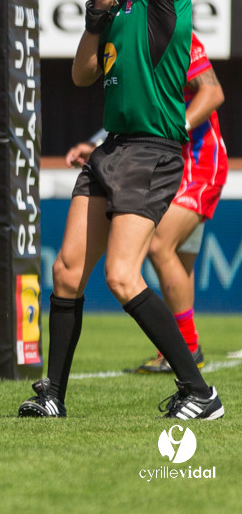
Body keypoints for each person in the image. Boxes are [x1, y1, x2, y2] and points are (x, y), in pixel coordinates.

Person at [19, 0, 225, 422]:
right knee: (68, 272)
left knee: (124, 277)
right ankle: (53, 395)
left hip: (154, 152)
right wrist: (94, 17)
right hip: (113, 151)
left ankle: (200, 391)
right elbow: (83, 76)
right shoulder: (114, 7)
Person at [65, 31, 227, 373]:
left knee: (158, 246)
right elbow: (133, 111)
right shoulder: (128, 36)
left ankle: (188, 350)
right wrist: (95, 145)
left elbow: (212, 92)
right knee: (177, 263)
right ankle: (175, 351)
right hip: (159, 163)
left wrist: (174, 127)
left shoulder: (178, 33)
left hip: (199, 162)